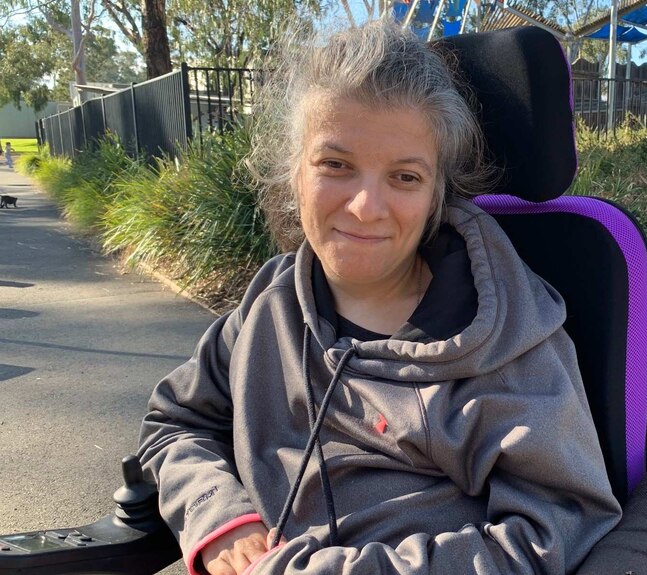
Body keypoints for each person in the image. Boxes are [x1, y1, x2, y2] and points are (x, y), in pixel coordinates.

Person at [138, 19, 621, 575]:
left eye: (405, 177)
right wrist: (219, 515)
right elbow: (177, 420)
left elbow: (558, 532)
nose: (367, 206)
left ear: (438, 191)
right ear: (292, 172)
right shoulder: (268, 306)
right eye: (336, 166)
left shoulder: (510, 344)